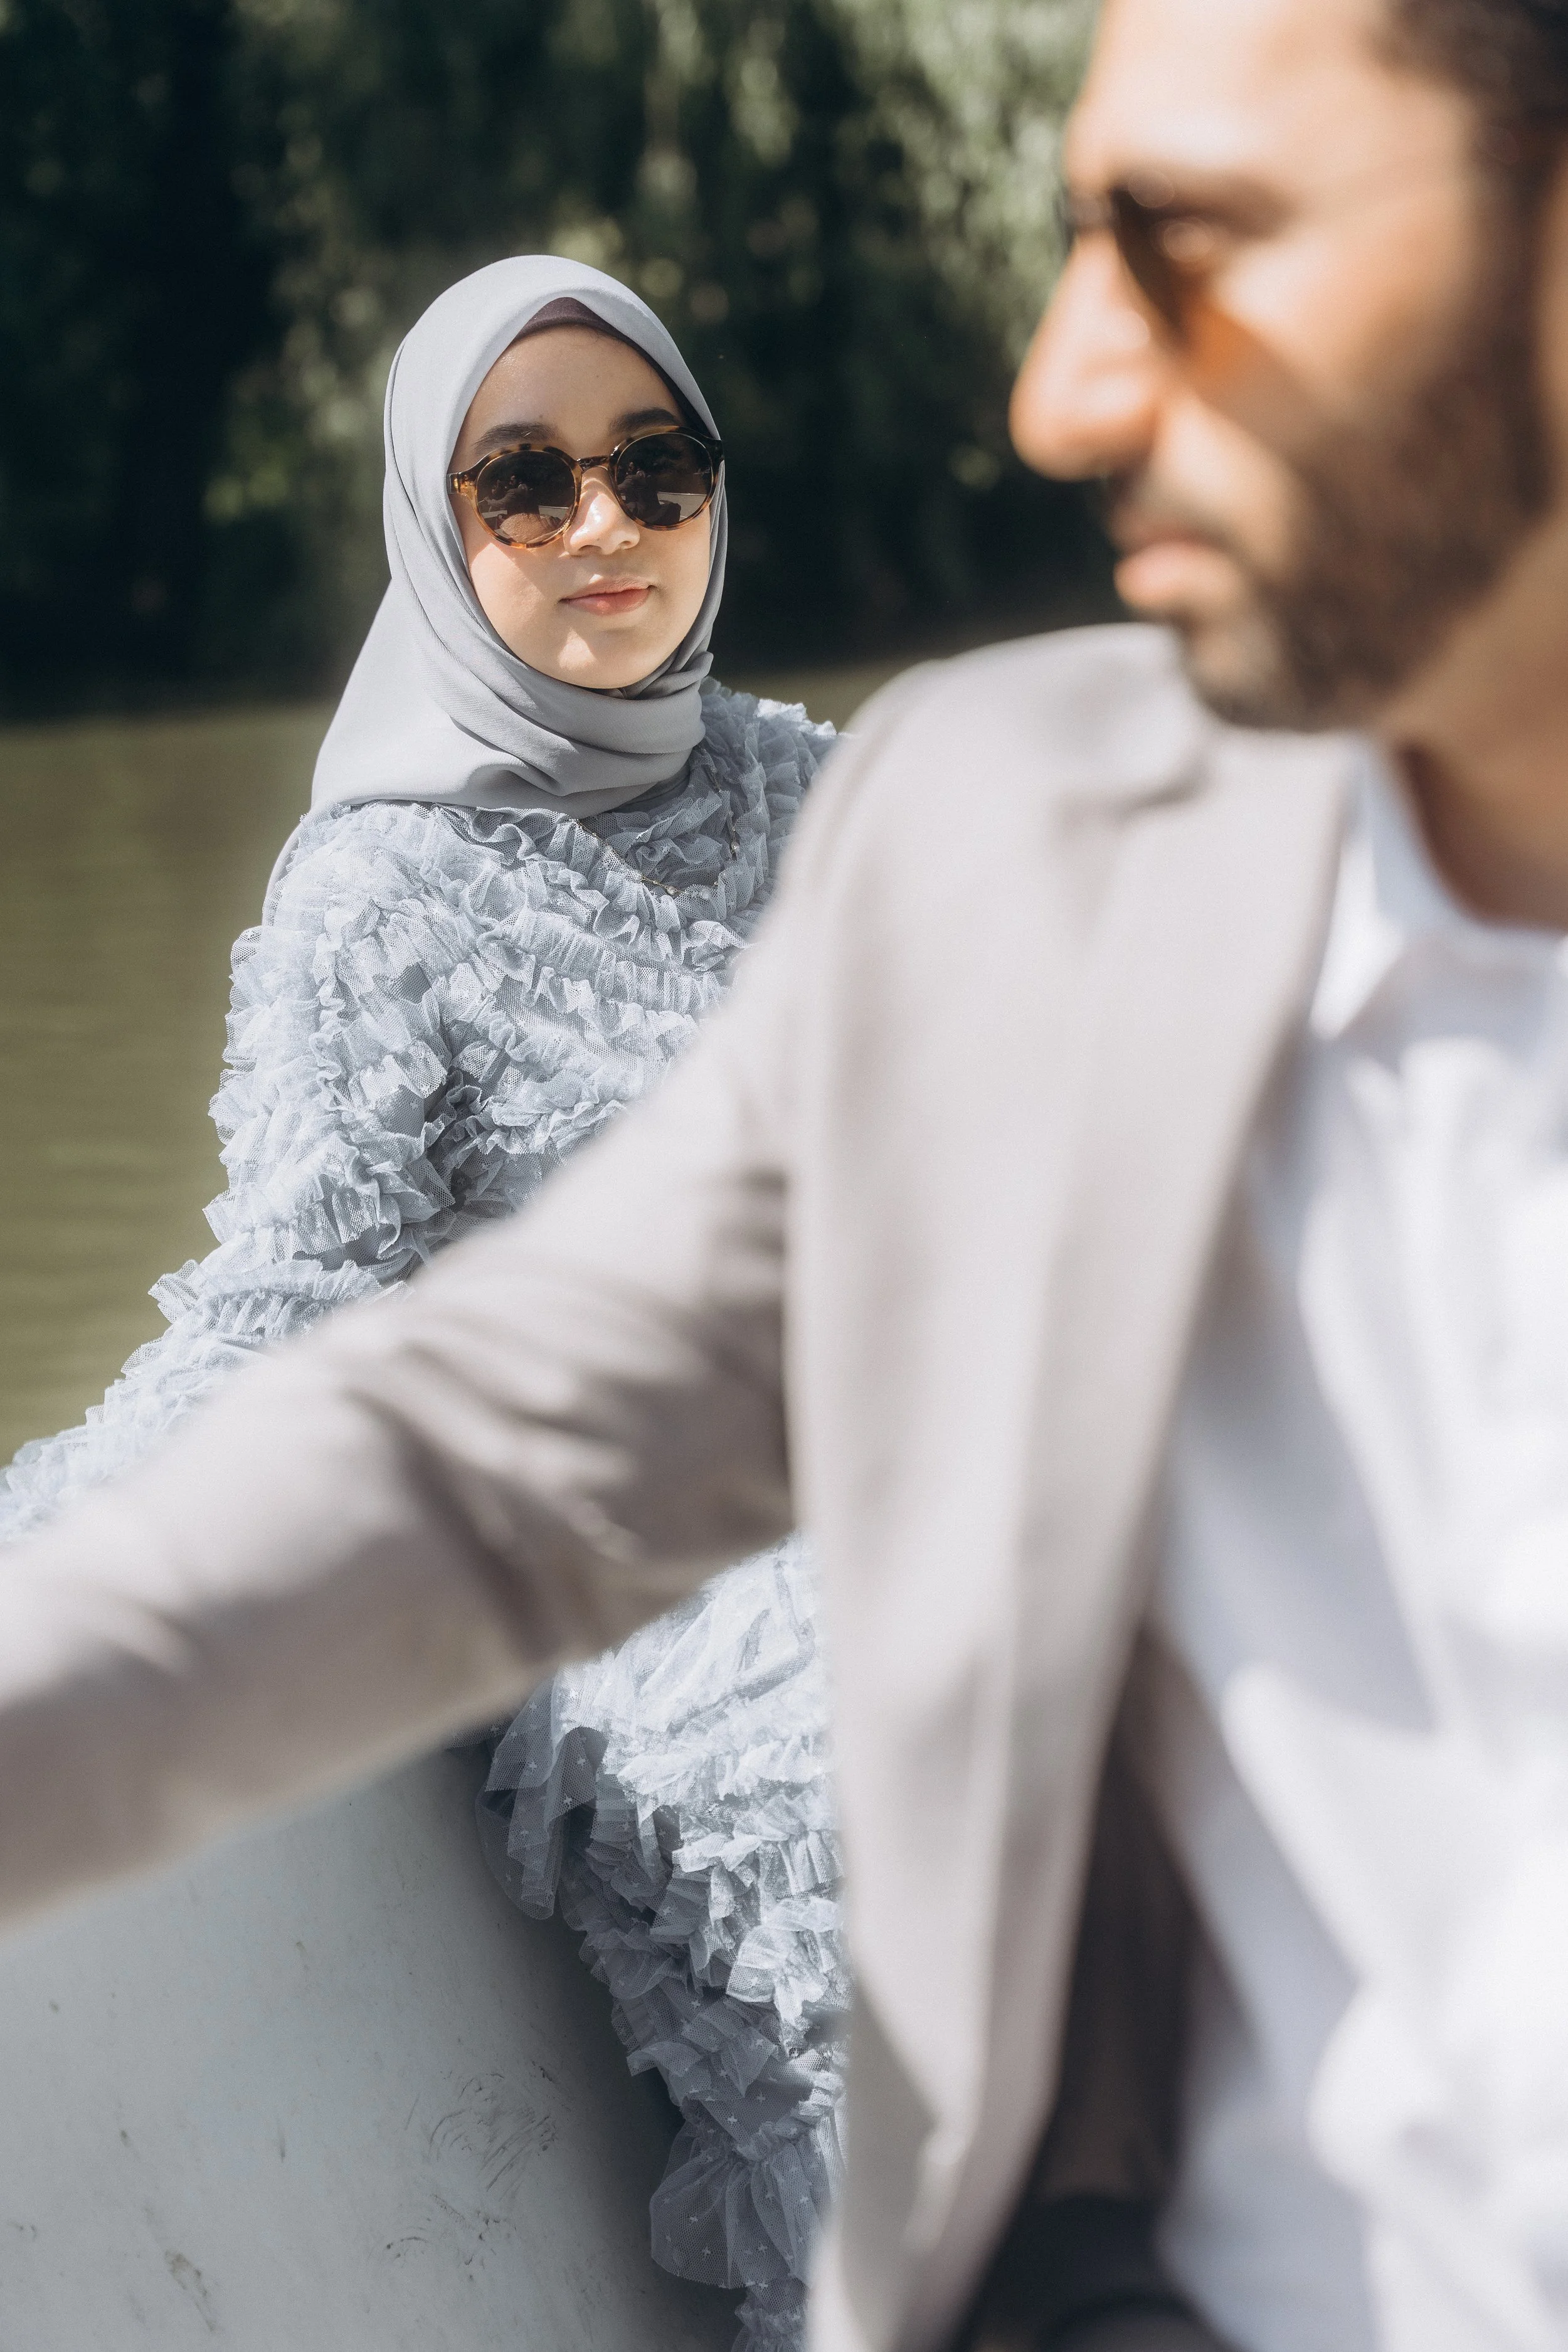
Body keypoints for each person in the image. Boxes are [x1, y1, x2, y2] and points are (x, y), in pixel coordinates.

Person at [6, 0, 1568, 2346]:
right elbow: (469, 1439)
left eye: (1196, 247)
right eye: (523, 484)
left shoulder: (818, 783)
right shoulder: (990, 834)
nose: (1055, 396)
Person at [0, 256, 842, 2351]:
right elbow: (282, 1315)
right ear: (434, 527)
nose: (605, 529)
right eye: (526, 482)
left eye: (658, 470)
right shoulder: (381, 890)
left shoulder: (817, 793)